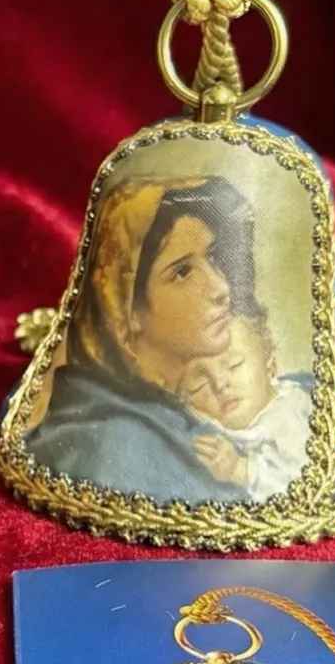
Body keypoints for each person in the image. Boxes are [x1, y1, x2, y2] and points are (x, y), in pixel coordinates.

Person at [24, 178, 261, 503]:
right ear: (125, 307)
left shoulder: (175, 410)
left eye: (211, 260)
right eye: (182, 272)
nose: (221, 288)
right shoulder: (117, 445)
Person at [181, 314, 314, 500]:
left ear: (270, 366)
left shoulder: (290, 414)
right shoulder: (205, 428)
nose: (219, 385)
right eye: (199, 385)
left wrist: (241, 470)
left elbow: (305, 486)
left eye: (233, 365)